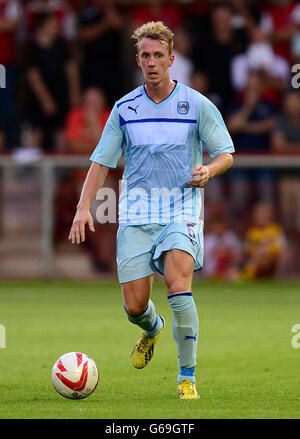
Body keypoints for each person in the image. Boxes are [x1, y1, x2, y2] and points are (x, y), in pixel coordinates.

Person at [68, 21, 234, 399]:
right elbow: (101, 163)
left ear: (172, 59)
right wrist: (83, 208)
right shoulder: (124, 108)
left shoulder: (196, 104)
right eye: (146, 55)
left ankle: (186, 377)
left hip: (181, 210)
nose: (153, 61)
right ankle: (152, 326)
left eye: (159, 55)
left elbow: (226, 152)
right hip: (136, 216)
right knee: (134, 305)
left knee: (179, 285)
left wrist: (208, 168)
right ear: (138, 60)